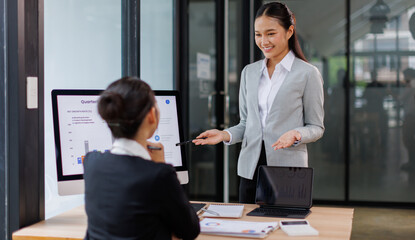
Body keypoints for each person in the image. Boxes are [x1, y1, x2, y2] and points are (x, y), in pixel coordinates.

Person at [193, 1, 324, 203]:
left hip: (288, 171)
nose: (264, 41)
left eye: (271, 33)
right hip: (249, 171)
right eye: (258, 34)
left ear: (289, 31)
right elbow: (247, 124)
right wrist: (224, 134)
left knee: (284, 230)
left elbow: (316, 127)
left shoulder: (308, 74)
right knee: (249, 229)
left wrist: (297, 134)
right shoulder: (249, 72)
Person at [83, 77, 200, 240]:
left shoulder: (91, 162)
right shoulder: (159, 175)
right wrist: (161, 165)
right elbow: (189, 230)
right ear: (152, 115)